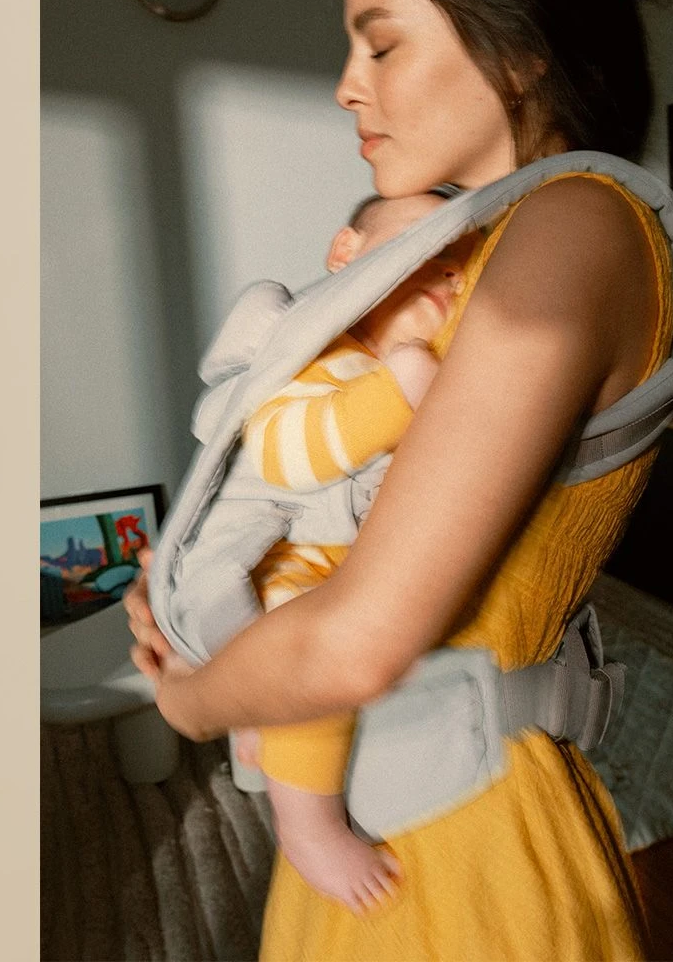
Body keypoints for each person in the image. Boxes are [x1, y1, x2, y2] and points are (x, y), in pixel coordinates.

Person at [126, 0, 673, 957]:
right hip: (392, 795)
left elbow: (358, 641)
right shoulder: (477, 247)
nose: (348, 86)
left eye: (381, 44)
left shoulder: (574, 221)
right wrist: (217, 599)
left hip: (457, 826)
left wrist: (190, 697)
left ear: (519, 50)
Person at [187, 190, 475, 913]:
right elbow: (283, 455)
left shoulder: (427, 369)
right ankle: (307, 828)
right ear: (347, 253)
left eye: (462, 269)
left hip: (365, 559)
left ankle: (261, 714)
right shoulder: (316, 350)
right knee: (308, 661)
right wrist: (396, 392)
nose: (448, 272)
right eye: (427, 247)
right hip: (288, 563)